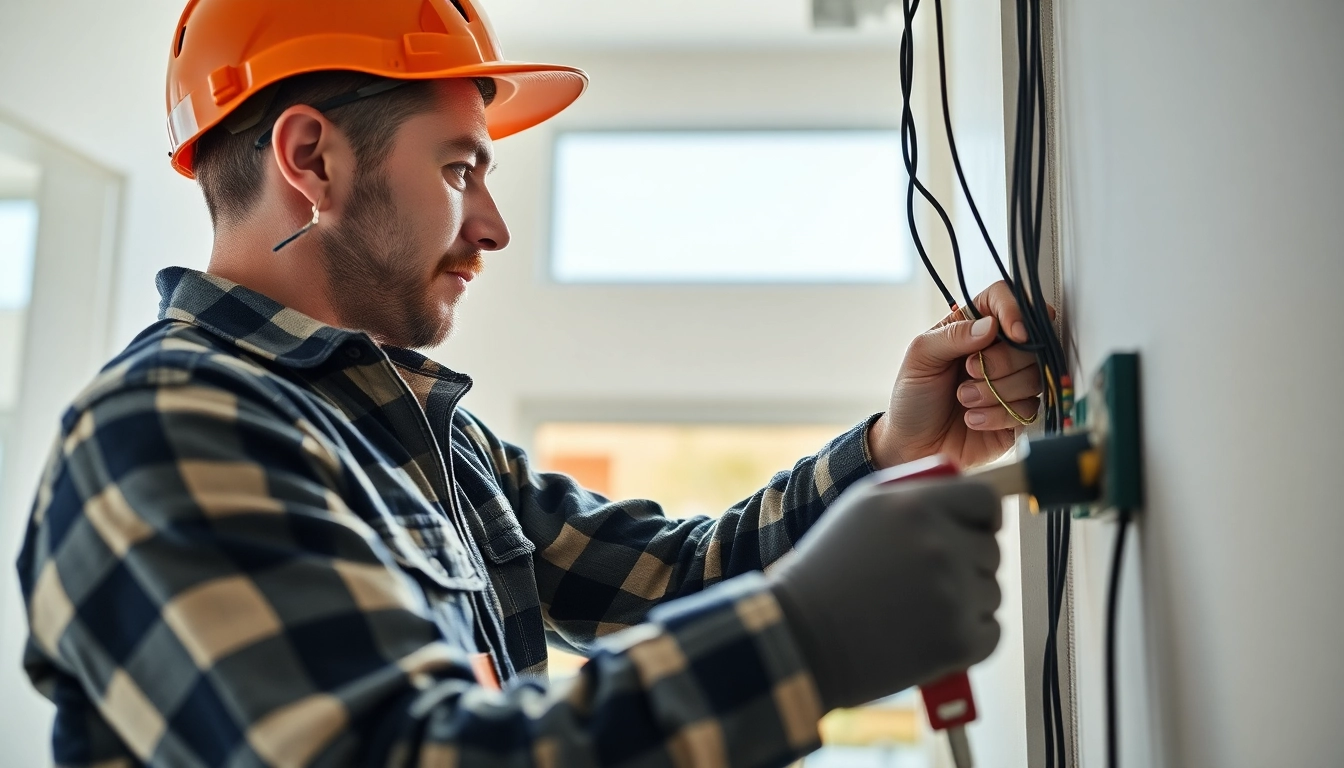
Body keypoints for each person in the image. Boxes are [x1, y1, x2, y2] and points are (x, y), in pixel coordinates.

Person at [16, 1, 1045, 765]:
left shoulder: (414, 435)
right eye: (461, 169)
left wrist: (892, 453)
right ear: (311, 160)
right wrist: (806, 641)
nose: (492, 226)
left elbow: (662, 581)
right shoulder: (166, 430)